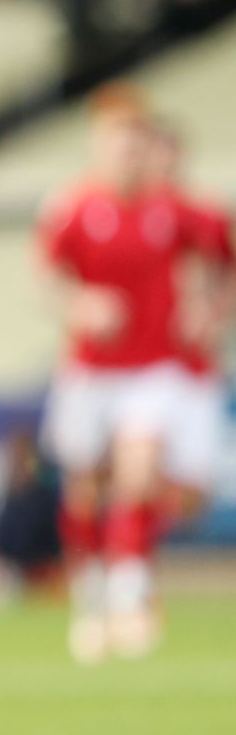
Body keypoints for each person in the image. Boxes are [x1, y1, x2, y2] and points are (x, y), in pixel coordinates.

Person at [37, 93, 200, 663]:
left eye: (136, 140)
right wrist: (81, 304)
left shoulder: (172, 210)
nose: (127, 151)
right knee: (85, 485)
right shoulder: (74, 208)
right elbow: (47, 279)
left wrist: (209, 308)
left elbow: (219, 256)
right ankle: (92, 588)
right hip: (88, 372)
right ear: (100, 147)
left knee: (138, 472)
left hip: (151, 370)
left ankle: (129, 599)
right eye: (117, 140)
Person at [143, 121, 233, 529]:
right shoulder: (122, 214)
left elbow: (228, 277)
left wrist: (213, 316)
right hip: (139, 364)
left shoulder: (205, 216)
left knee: (192, 490)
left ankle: (131, 548)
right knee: (134, 471)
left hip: (193, 365)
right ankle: (125, 566)